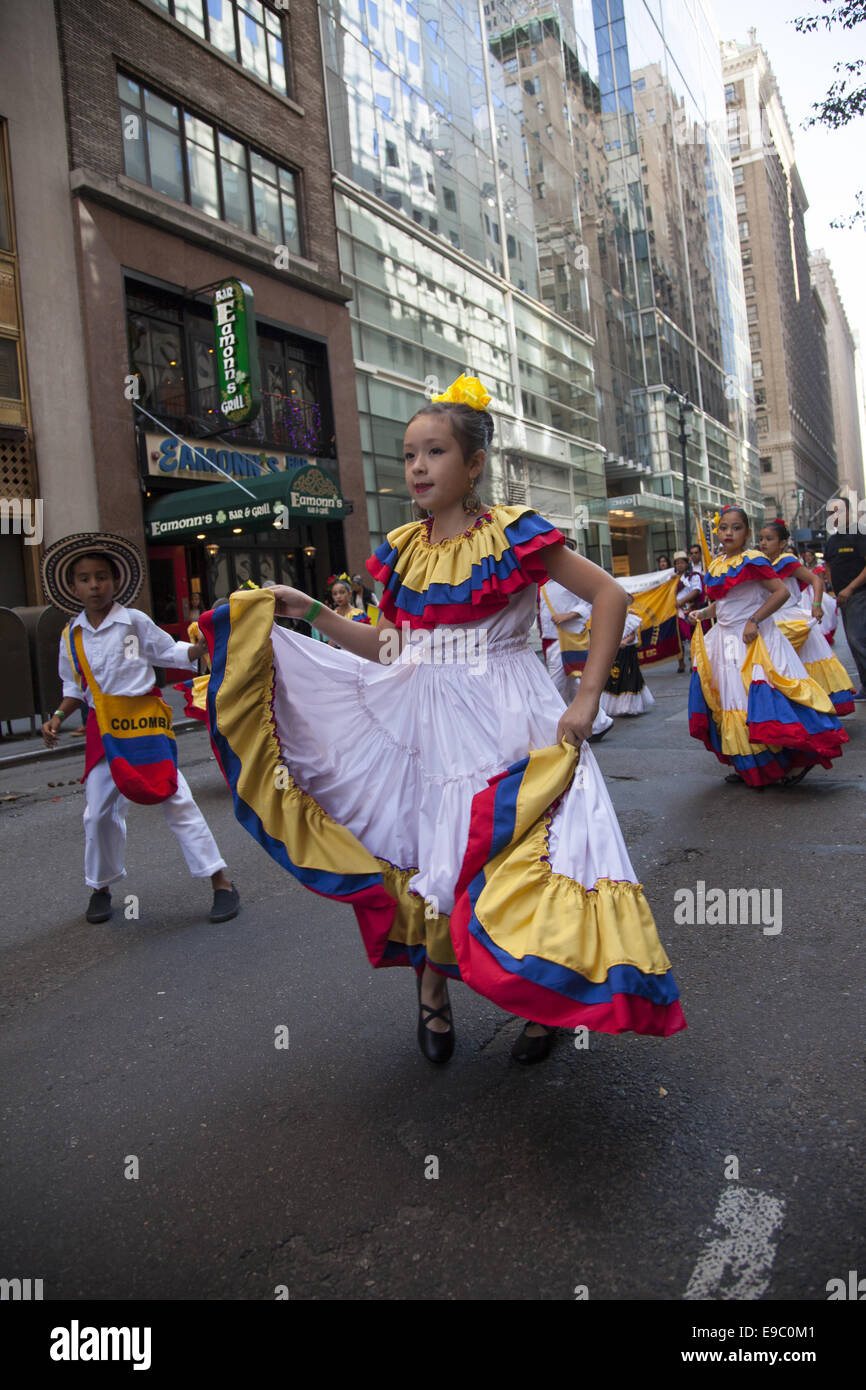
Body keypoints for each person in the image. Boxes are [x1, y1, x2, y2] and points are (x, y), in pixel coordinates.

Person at [198, 374, 685, 1065]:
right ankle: (433, 993)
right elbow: (394, 648)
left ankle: (538, 999)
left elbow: (608, 596)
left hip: (512, 716)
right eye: (409, 455)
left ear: (474, 463)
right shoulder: (405, 550)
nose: (419, 467)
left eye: (435, 452)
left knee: (524, 857)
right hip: (429, 725)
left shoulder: (515, 534)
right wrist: (313, 612)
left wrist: (586, 696)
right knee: (437, 853)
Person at [40, 534, 240, 926]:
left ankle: (221, 883)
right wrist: (58, 717)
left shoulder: (134, 621)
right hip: (105, 733)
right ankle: (101, 887)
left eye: (101, 576)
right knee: (97, 812)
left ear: (115, 581)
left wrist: (201, 645)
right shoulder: (71, 636)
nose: (94, 585)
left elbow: (172, 652)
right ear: (72, 587)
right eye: (84, 578)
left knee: (176, 800)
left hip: (146, 726)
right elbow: (73, 689)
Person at [687, 506, 848, 788]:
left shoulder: (753, 560)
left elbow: (782, 592)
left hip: (754, 642)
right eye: (724, 527)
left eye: (736, 528)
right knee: (735, 704)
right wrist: (703, 614)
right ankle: (750, 763)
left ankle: (799, 759)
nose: (728, 533)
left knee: (767, 702)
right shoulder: (717, 564)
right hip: (727, 642)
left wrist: (754, 620)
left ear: (747, 533)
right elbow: (724, 604)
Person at [758, 520, 854, 716]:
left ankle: (815, 709)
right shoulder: (760, 564)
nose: (763, 543)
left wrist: (816, 605)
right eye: (761, 539)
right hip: (770, 620)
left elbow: (816, 580)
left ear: (783, 542)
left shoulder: (787, 562)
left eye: (769, 539)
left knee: (802, 663)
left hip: (791, 618)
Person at [537, 553, 613, 737]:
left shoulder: (571, 580)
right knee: (571, 683)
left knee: (556, 685)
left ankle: (552, 728)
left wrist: (568, 615)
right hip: (550, 637)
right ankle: (600, 722)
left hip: (568, 637)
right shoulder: (541, 584)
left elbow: (589, 603)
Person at [822, 498, 866, 699]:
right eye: (832, 513)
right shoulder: (833, 540)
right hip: (843, 599)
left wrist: (849, 588)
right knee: (852, 641)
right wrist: (834, 591)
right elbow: (829, 565)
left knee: (858, 640)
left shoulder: (859, 535)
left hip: (859, 595)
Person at [599, 598, 655, 716]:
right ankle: (615, 706)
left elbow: (631, 635)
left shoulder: (630, 619)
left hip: (628, 653)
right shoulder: (611, 620)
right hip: (615, 653)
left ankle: (628, 706)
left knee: (628, 677)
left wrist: (624, 641)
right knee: (613, 679)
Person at [674, 551, 702, 673]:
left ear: (686, 563)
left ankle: (694, 662)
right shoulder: (671, 579)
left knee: (692, 638)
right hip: (675, 612)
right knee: (677, 639)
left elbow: (696, 590)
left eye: (682, 562)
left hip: (689, 609)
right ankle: (681, 663)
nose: (679, 565)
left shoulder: (693, 576)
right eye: (677, 563)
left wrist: (682, 601)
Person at [327, 573, 371, 648]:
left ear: (349, 594)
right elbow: (332, 640)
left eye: (342, 592)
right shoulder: (332, 615)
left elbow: (366, 638)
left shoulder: (358, 614)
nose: (338, 596)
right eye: (335, 594)